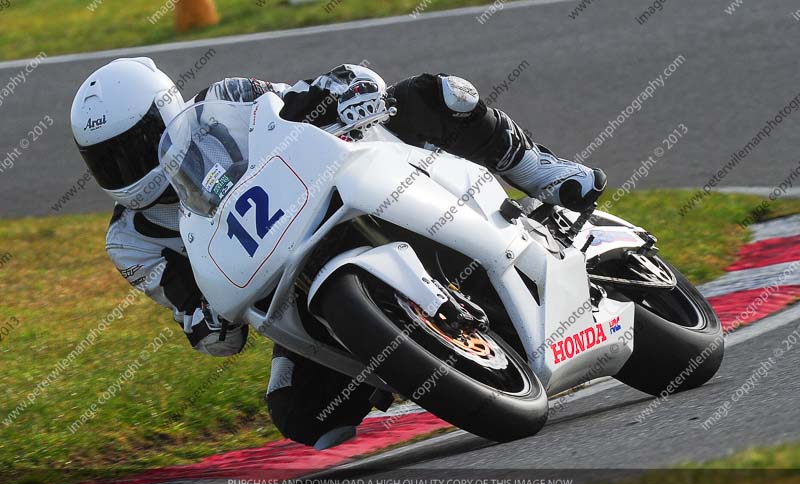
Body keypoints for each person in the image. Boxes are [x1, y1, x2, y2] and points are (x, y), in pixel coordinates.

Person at [70, 57, 606, 450]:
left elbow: (294, 103)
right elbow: (193, 308)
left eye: (138, 144)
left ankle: (543, 173)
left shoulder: (222, 101)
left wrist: (338, 90)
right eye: (106, 161)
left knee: (435, 94)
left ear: (168, 113)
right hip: (291, 287)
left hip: (340, 189)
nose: (127, 166)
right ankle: (409, 351)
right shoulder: (130, 241)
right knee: (302, 414)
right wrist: (201, 322)